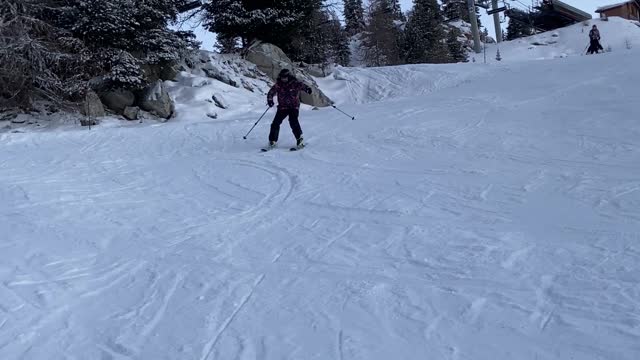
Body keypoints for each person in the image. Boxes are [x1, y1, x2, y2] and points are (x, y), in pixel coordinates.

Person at [266, 69, 312, 149]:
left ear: (289, 77)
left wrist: (308, 89)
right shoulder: (278, 84)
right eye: (282, 77)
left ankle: (299, 138)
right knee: (275, 123)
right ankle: (272, 140)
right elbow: (271, 92)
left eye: (285, 77)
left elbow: (303, 86)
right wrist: (270, 100)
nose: (283, 79)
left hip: (294, 107)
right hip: (282, 107)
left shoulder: (295, 83)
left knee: (293, 121)